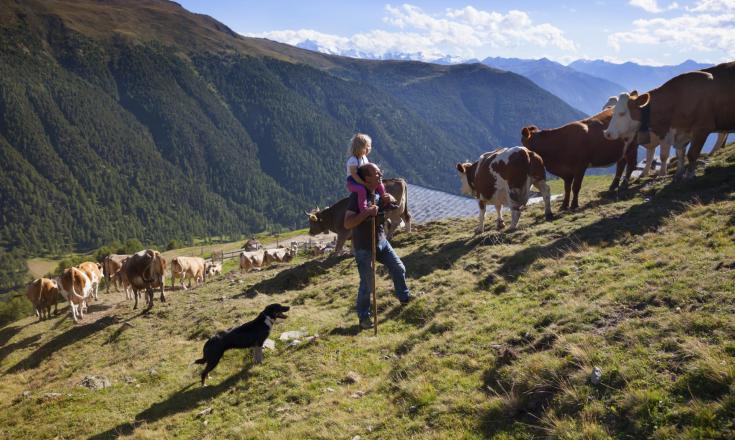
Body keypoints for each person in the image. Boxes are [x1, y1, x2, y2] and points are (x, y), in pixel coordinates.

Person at [343, 163, 412, 330]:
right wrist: (366, 213)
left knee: (398, 268)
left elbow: (392, 206)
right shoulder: (356, 197)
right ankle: (364, 318)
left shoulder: (378, 192)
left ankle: (404, 298)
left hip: (381, 242)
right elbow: (347, 223)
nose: (381, 174)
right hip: (364, 247)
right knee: (368, 284)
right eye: (376, 173)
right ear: (366, 179)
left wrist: (391, 200)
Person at [345, 133, 394, 211]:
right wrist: (364, 184)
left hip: (363, 180)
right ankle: (363, 208)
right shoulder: (353, 160)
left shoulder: (364, 158)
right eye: (368, 147)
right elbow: (355, 176)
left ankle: (384, 198)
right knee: (361, 190)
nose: (369, 149)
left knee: (379, 183)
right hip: (353, 182)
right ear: (361, 148)